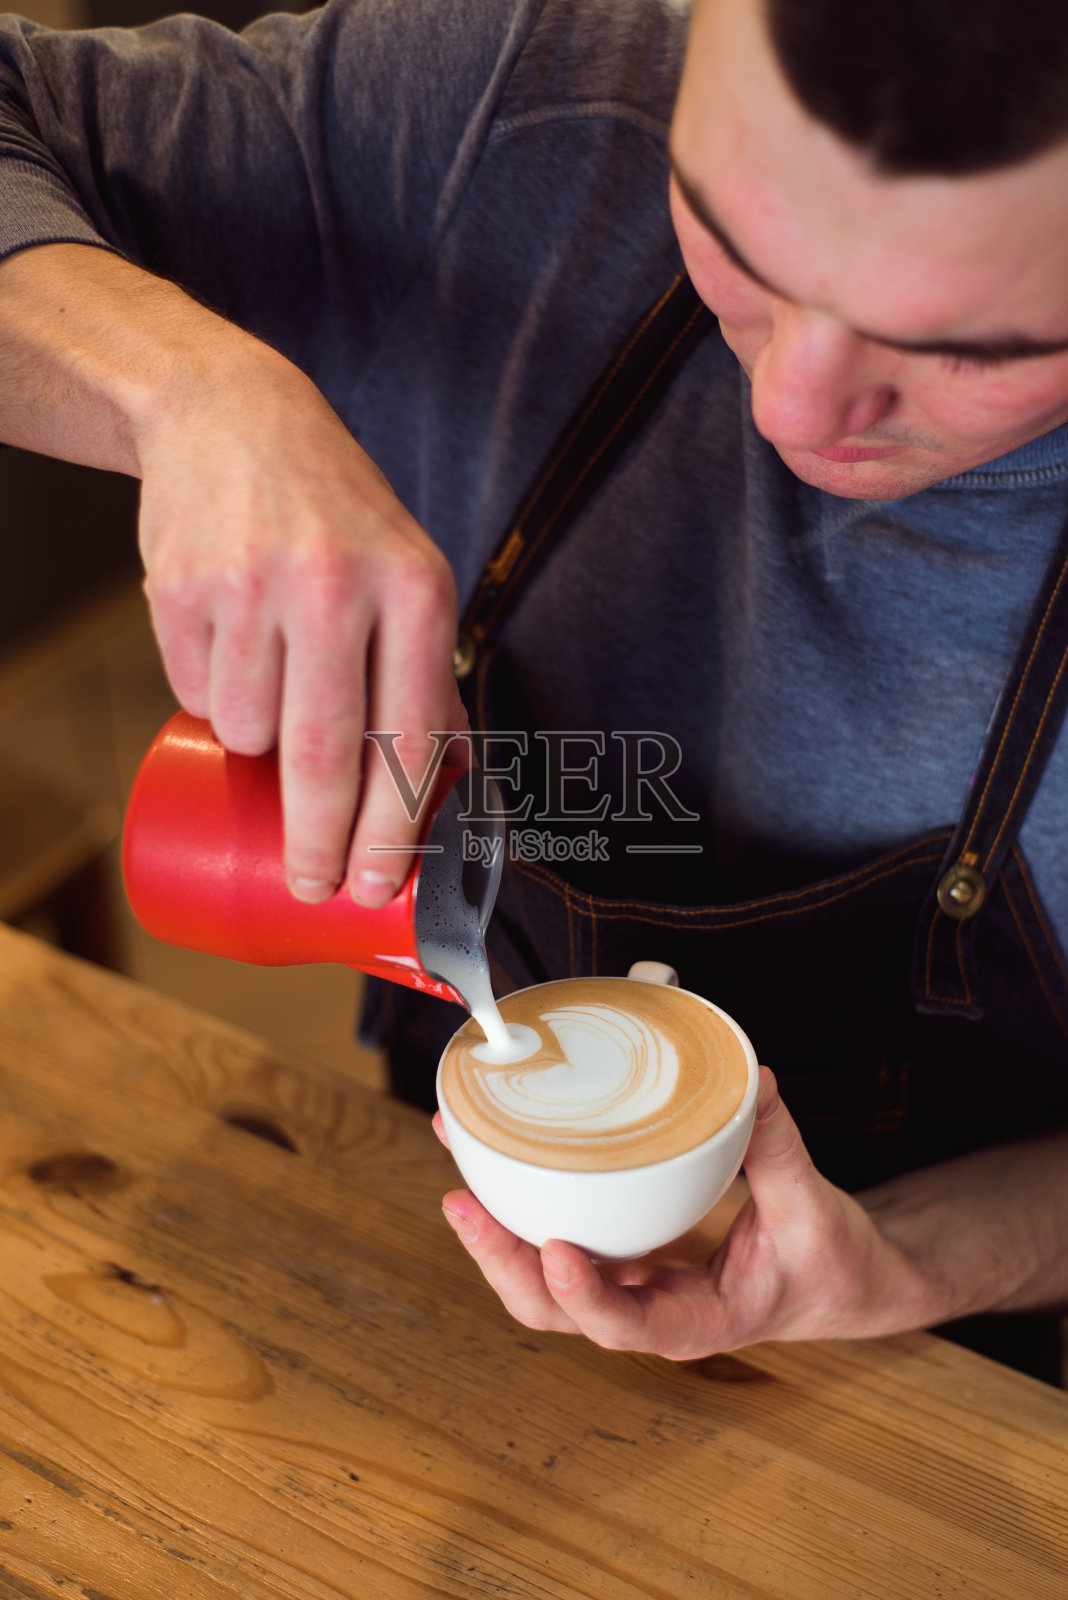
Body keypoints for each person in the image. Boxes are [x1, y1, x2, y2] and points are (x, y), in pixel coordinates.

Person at [2, 0, 1067, 1380]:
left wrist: (907, 1257)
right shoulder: (521, 102)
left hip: (973, 1404)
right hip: (411, 1269)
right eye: (732, 239)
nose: (793, 409)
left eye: (969, 348)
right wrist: (191, 391)